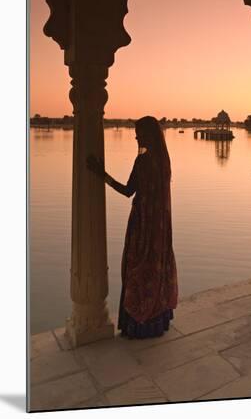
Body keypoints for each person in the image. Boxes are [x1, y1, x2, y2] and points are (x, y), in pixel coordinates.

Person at [86, 116, 178, 339]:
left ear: (147, 135)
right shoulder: (164, 161)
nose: (136, 137)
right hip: (160, 226)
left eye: (139, 133)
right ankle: (157, 319)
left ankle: (139, 322)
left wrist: (101, 174)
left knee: (137, 268)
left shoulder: (144, 161)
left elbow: (128, 191)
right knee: (155, 267)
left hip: (143, 225)